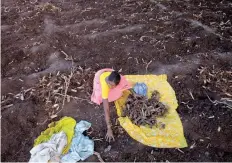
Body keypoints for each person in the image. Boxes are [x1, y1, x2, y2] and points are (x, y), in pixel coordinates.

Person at [91, 68, 131, 142]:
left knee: (121, 88)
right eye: (109, 84)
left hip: (108, 73)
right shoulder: (105, 87)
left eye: (112, 85)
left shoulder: (118, 78)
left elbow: (126, 85)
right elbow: (106, 110)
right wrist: (109, 128)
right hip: (99, 77)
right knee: (109, 95)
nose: (110, 86)